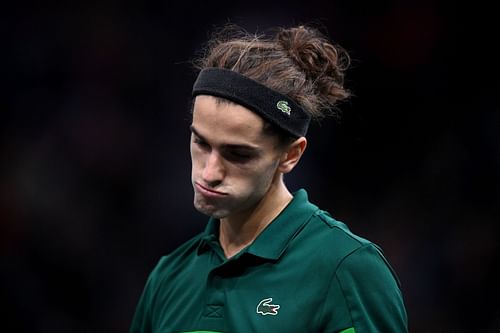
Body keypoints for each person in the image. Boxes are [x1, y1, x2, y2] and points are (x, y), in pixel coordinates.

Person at [130, 24, 408, 333]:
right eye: (201, 142)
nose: (209, 173)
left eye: (238, 154)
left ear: (291, 155)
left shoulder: (347, 269)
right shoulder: (168, 277)